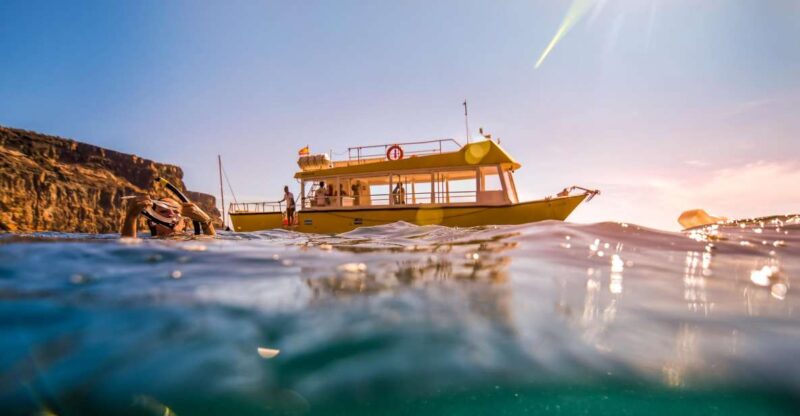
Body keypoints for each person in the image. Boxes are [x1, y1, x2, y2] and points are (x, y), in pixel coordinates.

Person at [121, 195, 215, 238]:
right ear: (152, 223)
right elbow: (127, 246)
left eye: (175, 211)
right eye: (163, 211)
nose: (171, 214)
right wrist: (131, 217)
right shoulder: (147, 243)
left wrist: (206, 220)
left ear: (185, 224)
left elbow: (213, 245)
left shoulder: (193, 240)